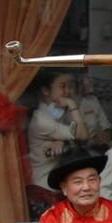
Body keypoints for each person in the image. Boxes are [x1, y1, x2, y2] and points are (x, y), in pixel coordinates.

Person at [27, 71, 88, 214]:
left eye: (69, 86)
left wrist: (64, 142)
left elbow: (80, 141)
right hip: (43, 188)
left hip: (56, 187)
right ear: (46, 91)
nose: (67, 92)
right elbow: (82, 135)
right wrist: (72, 105)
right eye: (62, 86)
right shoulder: (41, 120)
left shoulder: (59, 113)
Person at [75, 74, 112, 152]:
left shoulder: (93, 100)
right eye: (86, 80)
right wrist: (92, 141)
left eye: (90, 80)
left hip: (98, 146)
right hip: (81, 149)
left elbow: (105, 124)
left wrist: (105, 135)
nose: (90, 82)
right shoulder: (69, 104)